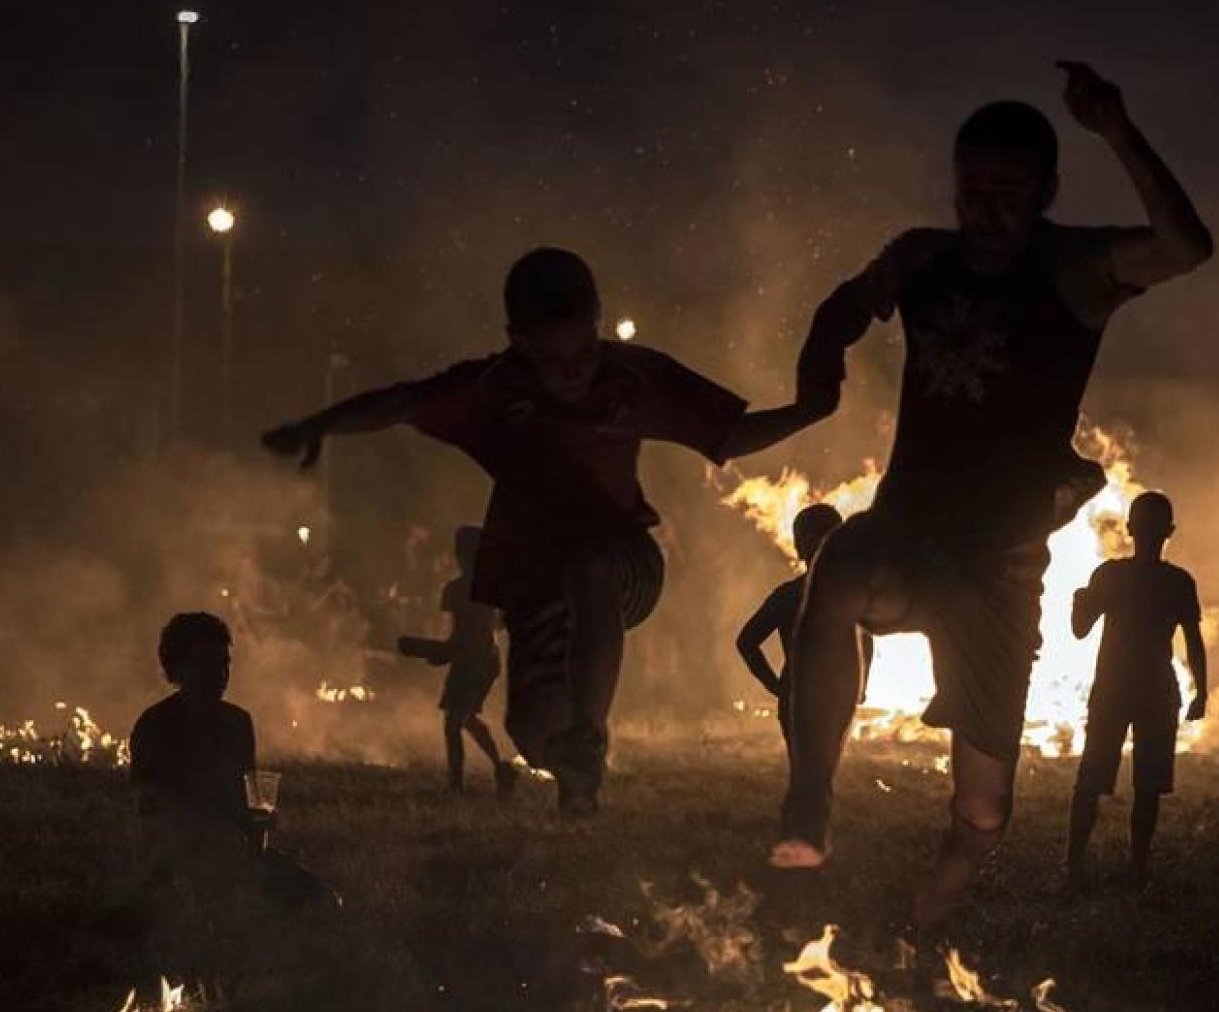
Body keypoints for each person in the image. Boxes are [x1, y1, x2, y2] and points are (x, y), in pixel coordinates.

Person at [770, 63, 1214, 932]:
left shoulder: (1077, 269)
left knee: (983, 815)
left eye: (1008, 194)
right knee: (839, 569)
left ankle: (927, 911)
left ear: (1047, 191)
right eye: (972, 191)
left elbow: (1188, 247)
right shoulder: (921, 257)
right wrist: (818, 375)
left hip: (1000, 570)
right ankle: (808, 799)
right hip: (905, 527)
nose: (986, 211)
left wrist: (1118, 131)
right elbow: (845, 306)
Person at [263, 247, 832, 814]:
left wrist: (806, 411)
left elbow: (729, 436)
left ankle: (588, 732)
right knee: (531, 734)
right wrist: (322, 425)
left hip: (624, 566)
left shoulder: (630, 378)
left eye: (584, 352)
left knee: (589, 569)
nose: (574, 373)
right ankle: (574, 773)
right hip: (533, 583)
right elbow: (402, 402)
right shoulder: (493, 391)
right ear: (518, 340)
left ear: (599, 326)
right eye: (554, 361)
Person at [128, 612, 338, 914]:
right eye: (206, 663)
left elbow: (247, 798)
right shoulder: (156, 724)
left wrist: (260, 820)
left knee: (326, 902)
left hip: (236, 851)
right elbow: (150, 808)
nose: (220, 674)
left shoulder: (237, 722)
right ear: (179, 668)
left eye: (224, 663)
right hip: (176, 857)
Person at [1064, 492, 1207, 891]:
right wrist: (1201, 691)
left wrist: (1079, 602)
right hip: (1156, 693)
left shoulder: (1111, 575)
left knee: (1090, 781)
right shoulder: (1178, 582)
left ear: (1130, 530)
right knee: (1147, 788)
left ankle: (1075, 869)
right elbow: (1194, 641)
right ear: (1170, 532)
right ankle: (1137, 871)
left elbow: (1079, 630)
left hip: (1115, 688)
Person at [735, 504, 872, 754]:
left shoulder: (787, 595)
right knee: (824, 771)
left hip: (797, 697)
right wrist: (860, 685)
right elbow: (866, 639)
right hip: (836, 697)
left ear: (800, 546)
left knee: (804, 773)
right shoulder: (851, 593)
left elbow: (746, 642)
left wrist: (774, 685)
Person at [398, 526, 521, 796]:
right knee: (466, 719)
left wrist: (437, 652)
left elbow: (460, 636)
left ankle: (457, 783)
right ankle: (500, 768)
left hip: (473, 662)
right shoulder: (489, 588)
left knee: (454, 722)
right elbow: (498, 626)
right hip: (485, 660)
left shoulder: (456, 590)